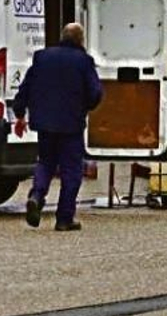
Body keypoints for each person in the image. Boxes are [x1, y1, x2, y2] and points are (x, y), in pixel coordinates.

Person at [10, 22, 103, 231]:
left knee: (45, 163)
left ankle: (36, 195)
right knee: (72, 172)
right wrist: (84, 107)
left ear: (63, 36)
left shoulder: (42, 57)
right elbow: (95, 93)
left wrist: (19, 112)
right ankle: (64, 219)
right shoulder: (84, 61)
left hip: (44, 123)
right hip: (71, 124)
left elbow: (26, 87)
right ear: (80, 40)